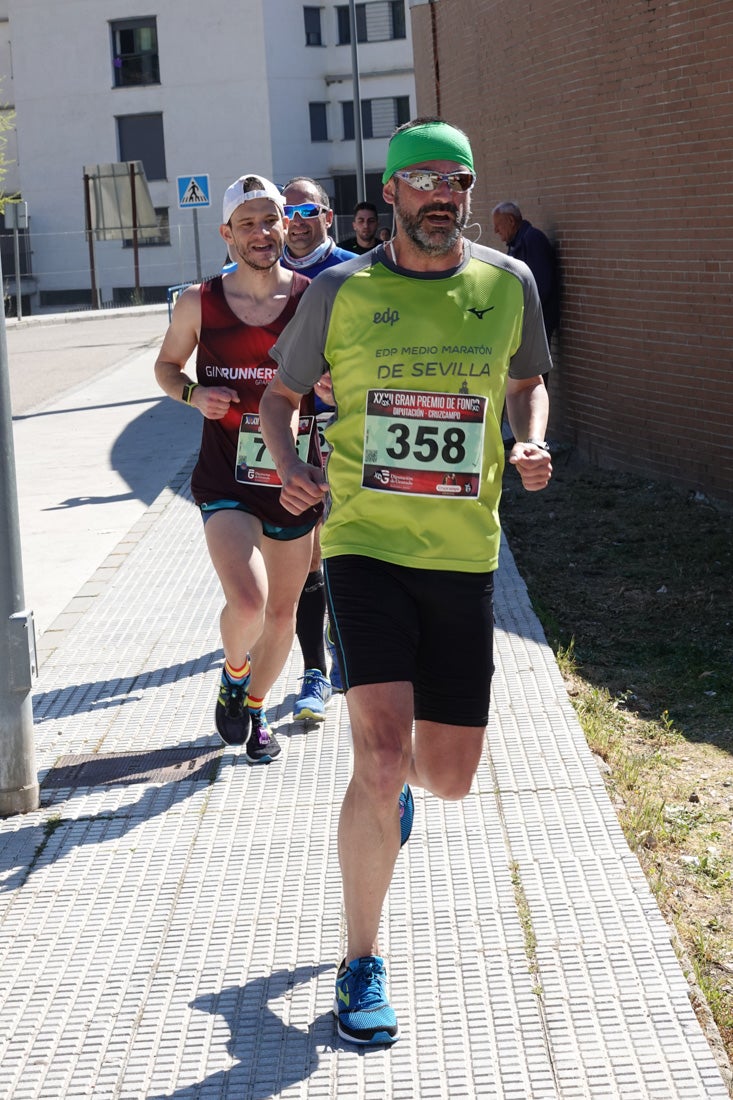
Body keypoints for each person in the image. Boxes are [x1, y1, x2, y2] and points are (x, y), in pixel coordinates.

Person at [259, 117, 553, 1045]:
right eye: (421, 179)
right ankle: (359, 963)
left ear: (469, 192)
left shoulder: (506, 283)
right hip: (365, 543)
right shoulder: (339, 290)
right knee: (377, 753)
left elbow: (525, 381)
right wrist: (287, 464)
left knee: (449, 776)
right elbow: (279, 397)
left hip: (464, 550)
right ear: (388, 193)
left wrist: (529, 436)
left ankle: (398, 800)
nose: (441, 195)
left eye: (455, 181)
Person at [154, 174, 322, 764]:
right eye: (247, 224)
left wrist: (329, 386)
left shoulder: (312, 297)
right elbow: (167, 367)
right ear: (227, 234)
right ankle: (232, 671)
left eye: (270, 221)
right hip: (225, 477)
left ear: (287, 226)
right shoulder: (199, 302)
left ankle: (253, 710)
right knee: (249, 602)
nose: (261, 233)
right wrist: (192, 395)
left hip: (292, 479)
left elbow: (344, 378)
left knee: (283, 612)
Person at [280, 176, 354, 721]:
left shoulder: (359, 271)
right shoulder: (264, 278)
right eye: (288, 211)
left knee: (340, 549)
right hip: (284, 435)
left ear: (328, 215)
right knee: (305, 555)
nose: (296, 219)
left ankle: (346, 652)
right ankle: (315, 670)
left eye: (307, 209)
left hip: (346, 429)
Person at [492, 201, 560, 380]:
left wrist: (522, 314)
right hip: (524, 321)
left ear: (511, 221)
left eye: (498, 226)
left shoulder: (532, 240)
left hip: (535, 321)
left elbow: (541, 286)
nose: (495, 231)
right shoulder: (517, 244)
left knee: (533, 376)